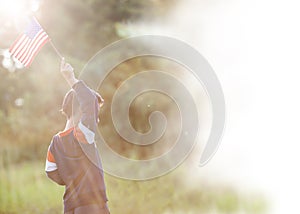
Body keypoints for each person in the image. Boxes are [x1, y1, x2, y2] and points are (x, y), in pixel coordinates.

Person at [45, 59, 109, 214]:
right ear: (81, 109)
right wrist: (71, 79)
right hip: (92, 206)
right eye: (95, 113)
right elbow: (88, 100)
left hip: (70, 208)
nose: (96, 119)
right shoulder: (82, 134)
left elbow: (51, 171)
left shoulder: (55, 143)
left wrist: (72, 180)